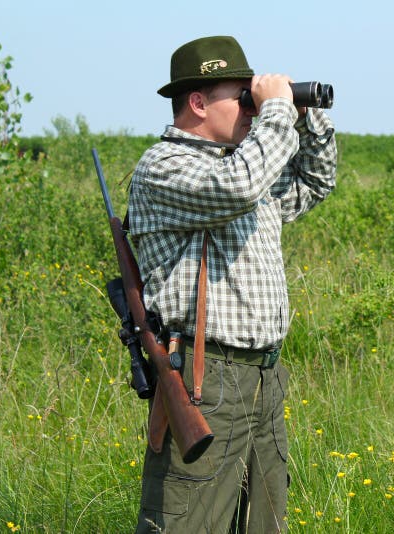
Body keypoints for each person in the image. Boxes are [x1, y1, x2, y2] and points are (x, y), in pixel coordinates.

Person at [127, 35, 337, 533]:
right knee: (190, 525)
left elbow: (314, 182)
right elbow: (240, 188)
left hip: (263, 379)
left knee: (263, 525)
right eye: (240, 97)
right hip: (207, 379)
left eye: (254, 97)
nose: (251, 109)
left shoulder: (244, 165)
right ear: (197, 102)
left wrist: (304, 116)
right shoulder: (165, 167)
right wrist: (276, 115)